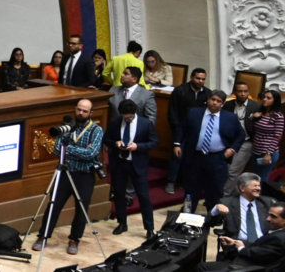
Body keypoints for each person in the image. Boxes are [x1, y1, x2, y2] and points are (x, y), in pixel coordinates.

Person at [33, 98, 104, 255]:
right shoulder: (67, 127)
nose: (81, 113)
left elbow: (91, 153)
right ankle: (43, 236)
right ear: (75, 109)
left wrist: (69, 148)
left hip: (85, 175)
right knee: (53, 205)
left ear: (91, 113)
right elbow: (57, 150)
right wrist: (79, 150)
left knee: (81, 209)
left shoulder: (96, 130)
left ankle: (74, 240)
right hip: (65, 172)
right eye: (79, 109)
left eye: (85, 111)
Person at [175, 90, 245, 214]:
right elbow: (182, 128)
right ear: (208, 100)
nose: (214, 103)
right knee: (191, 186)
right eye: (212, 100)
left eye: (218, 101)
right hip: (195, 156)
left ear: (223, 104)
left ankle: (213, 215)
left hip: (217, 157)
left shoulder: (230, 117)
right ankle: (188, 212)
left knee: (215, 189)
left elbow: (240, 135)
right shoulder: (194, 113)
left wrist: (232, 149)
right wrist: (177, 144)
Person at [106, 99, 158, 236]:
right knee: (119, 195)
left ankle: (149, 229)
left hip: (137, 164)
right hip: (120, 163)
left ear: (134, 113)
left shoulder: (145, 124)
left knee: (143, 197)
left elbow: (154, 142)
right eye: (124, 117)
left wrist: (138, 146)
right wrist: (115, 143)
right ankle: (122, 223)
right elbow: (106, 139)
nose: (127, 119)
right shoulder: (115, 122)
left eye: (129, 117)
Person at [196, 203, 285, 272]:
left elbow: (259, 254)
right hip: (244, 263)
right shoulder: (277, 231)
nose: (268, 219)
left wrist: (241, 248)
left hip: (247, 267)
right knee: (202, 266)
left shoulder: (280, 238)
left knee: (201, 268)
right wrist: (236, 242)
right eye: (269, 215)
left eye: (273, 216)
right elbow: (261, 247)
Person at [166, 68, 211, 195]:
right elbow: (172, 111)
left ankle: (183, 181)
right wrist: (176, 128)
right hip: (180, 128)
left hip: (198, 131)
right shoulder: (180, 90)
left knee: (191, 157)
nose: (200, 81)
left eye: (203, 79)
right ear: (191, 77)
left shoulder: (207, 93)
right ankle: (170, 182)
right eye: (198, 78)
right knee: (177, 156)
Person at [209, 173, 276, 255]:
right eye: (255, 186)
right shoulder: (227, 203)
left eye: (259, 185)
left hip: (263, 247)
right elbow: (210, 222)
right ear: (242, 188)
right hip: (236, 246)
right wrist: (216, 209)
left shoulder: (268, 202)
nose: (258, 188)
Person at [224, 83, 264, 196]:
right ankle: (236, 194)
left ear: (249, 92)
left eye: (245, 91)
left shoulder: (256, 106)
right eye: (240, 91)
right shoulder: (228, 105)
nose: (243, 94)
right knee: (226, 170)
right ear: (234, 93)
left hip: (245, 142)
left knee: (232, 172)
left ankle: (224, 196)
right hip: (229, 142)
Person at [250, 90, 284, 183]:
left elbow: (277, 137)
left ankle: (263, 193)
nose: (265, 99)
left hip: (268, 153)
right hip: (256, 150)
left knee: (263, 178)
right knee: (256, 177)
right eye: (264, 97)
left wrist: (268, 153)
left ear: (275, 100)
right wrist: (253, 117)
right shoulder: (260, 113)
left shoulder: (278, 116)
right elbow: (251, 129)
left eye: (268, 98)